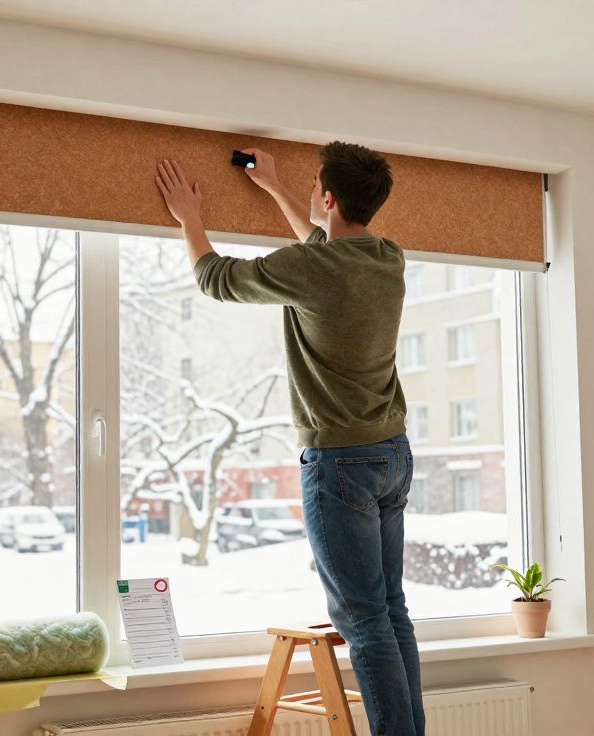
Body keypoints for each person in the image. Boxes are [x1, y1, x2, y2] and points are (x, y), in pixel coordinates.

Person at [155, 142, 422, 736]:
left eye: (312, 186)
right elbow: (324, 249)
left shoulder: (315, 269)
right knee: (391, 611)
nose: (308, 193)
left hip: (340, 460)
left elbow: (215, 279)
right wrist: (275, 188)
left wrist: (190, 218)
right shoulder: (387, 258)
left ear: (328, 198)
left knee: (363, 620)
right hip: (392, 452)